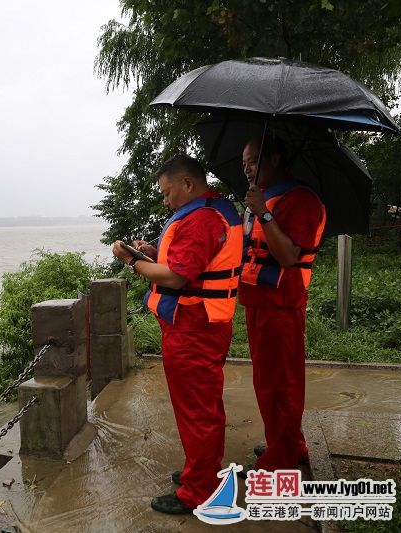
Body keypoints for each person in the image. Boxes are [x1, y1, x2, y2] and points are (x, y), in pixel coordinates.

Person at [113, 154, 243, 514]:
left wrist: (131, 261)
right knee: (202, 406)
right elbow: (191, 264)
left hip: (193, 326)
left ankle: (199, 490)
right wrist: (152, 253)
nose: (167, 201)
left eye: (169, 193)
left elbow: (177, 278)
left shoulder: (201, 219)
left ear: (188, 184)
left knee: (196, 411)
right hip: (202, 322)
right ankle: (201, 471)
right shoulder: (214, 211)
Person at [239, 137, 326, 474]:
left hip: (281, 305)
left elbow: (288, 255)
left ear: (274, 159)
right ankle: (288, 443)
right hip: (259, 301)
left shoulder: (299, 199)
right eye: (244, 161)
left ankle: (281, 459)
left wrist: (263, 211)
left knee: (281, 383)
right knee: (268, 380)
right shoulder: (267, 197)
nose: (246, 168)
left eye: (253, 160)